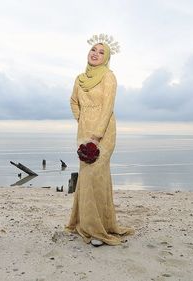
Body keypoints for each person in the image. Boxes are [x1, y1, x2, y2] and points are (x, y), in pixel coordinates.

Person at [65, 34, 134, 246]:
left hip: (103, 133)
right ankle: (84, 223)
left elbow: (107, 107)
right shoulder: (79, 78)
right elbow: (73, 101)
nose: (96, 54)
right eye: (93, 50)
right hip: (83, 130)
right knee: (88, 178)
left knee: (95, 176)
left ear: (107, 57)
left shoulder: (108, 77)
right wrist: (81, 118)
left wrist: (96, 134)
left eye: (101, 52)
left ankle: (96, 230)